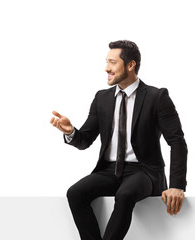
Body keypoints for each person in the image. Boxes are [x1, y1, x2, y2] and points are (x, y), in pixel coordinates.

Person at [50, 40, 187, 240]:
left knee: (125, 195)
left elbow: (177, 142)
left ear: (130, 65)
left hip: (144, 171)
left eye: (112, 62)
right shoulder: (102, 98)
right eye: (106, 62)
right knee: (75, 193)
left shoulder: (157, 97)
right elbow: (85, 140)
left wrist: (177, 186)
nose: (106, 68)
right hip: (109, 170)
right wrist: (70, 131)